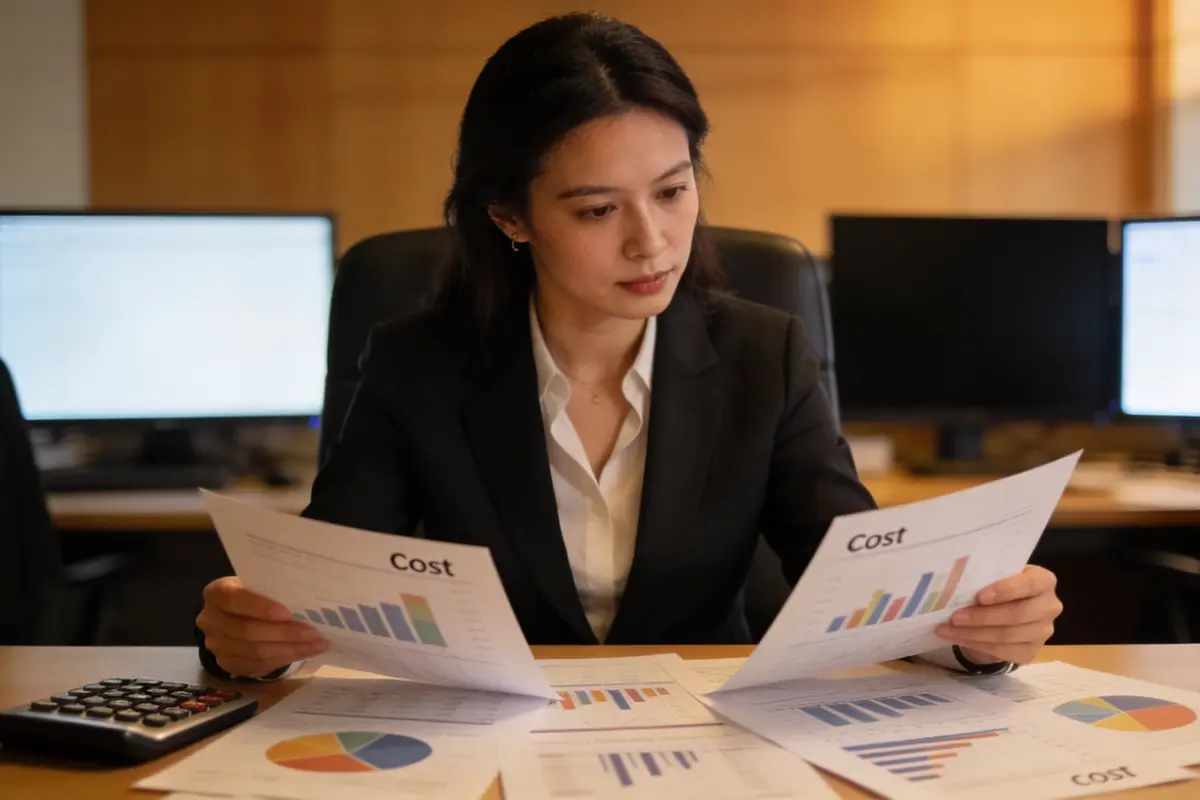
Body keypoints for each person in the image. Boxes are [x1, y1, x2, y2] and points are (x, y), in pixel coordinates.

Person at [196, 12, 1063, 680]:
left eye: (673, 191)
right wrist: (252, 633)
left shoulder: (765, 353)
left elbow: (864, 583)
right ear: (509, 217)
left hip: (708, 746)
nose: (653, 243)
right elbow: (318, 593)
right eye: (599, 210)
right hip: (494, 749)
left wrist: (980, 635)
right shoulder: (417, 366)